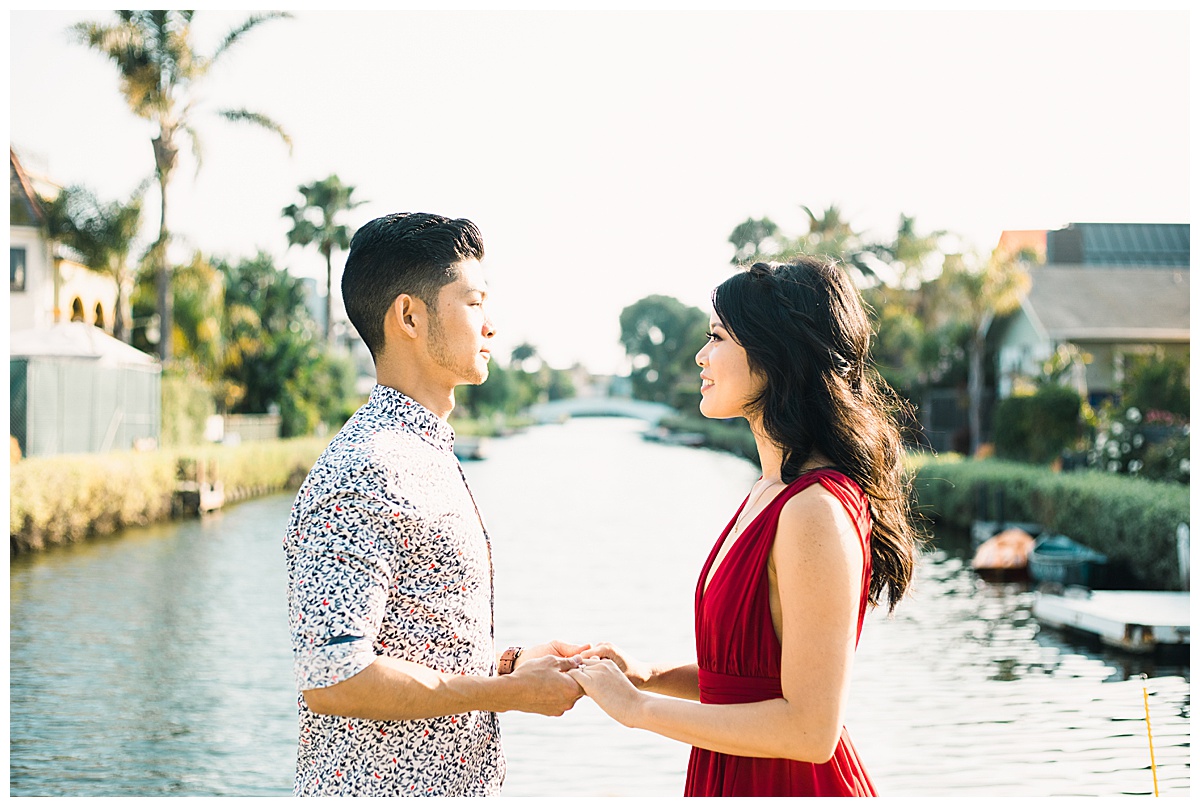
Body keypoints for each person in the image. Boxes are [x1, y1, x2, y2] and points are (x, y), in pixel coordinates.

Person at [567, 257, 923, 797]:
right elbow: (750, 680)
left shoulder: (814, 510)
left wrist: (638, 708)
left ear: (772, 352)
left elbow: (810, 731)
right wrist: (647, 675)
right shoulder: (771, 489)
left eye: (717, 338)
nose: (700, 356)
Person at [284, 212, 587, 797]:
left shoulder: (423, 454)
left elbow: (413, 641)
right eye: (474, 303)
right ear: (409, 317)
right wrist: (509, 695)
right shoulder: (365, 470)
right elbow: (334, 677)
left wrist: (507, 667)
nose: (492, 326)